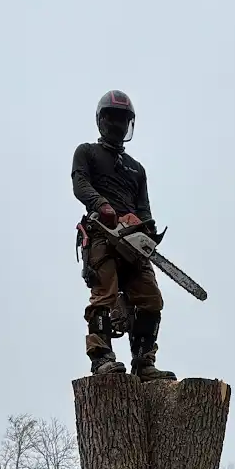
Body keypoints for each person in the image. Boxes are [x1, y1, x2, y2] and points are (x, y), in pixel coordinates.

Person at [71, 90, 173, 379]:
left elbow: (144, 207)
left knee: (151, 299)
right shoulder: (87, 152)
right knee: (104, 294)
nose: (118, 125)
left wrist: (147, 227)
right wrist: (101, 205)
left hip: (133, 240)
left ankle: (144, 361)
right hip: (101, 233)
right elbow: (80, 184)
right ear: (102, 120)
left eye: (123, 120)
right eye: (113, 119)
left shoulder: (136, 169)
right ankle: (101, 357)